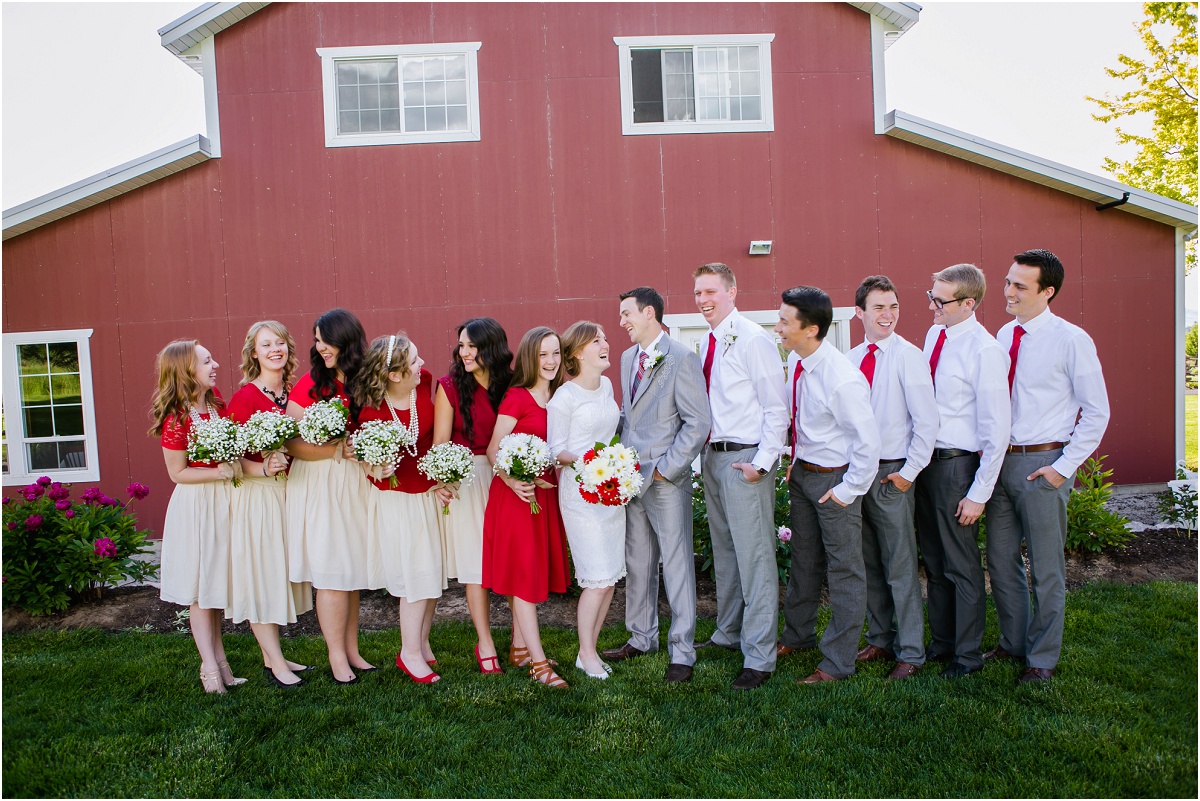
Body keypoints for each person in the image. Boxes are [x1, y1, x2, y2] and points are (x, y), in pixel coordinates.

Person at [985, 249, 1110, 684]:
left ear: (1048, 291)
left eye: (1020, 286)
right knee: (1001, 562)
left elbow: (1097, 411)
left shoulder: (1071, 339)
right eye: (1007, 281)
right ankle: (1012, 642)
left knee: (1046, 566)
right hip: (1000, 462)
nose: (1009, 291)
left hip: (1044, 463)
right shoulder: (1002, 335)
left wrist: (1064, 466)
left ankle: (1042, 659)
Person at [602, 287, 709, 683]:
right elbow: (630, 418)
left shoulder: (682, 358)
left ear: (649, 313)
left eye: (626, 314)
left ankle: (682, 651)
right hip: (631, 480)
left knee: (677, 564)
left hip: (666, 480)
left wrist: (667, 468)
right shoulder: (628, 358)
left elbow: (697, 422)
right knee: (638, 561)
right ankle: (641, 637)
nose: (622, 322)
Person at [775, 286, 880, 684]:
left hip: (836, 481)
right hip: (804, 475)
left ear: (812, 328)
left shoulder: (841, 378)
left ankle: (837, 662)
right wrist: (795, 461)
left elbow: (867, 444)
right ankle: (797, 637)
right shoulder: (797, 363)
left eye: (786, 321)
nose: (779, 326)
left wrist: (847, 490)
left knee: (844, 571)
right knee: (803, 560)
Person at [693, 262, 789, 690]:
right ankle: (728, 632)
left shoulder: (753, 339)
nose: (703, 300)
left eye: (711, 291)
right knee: (726, 552)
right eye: (698, 293)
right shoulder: (705, 343)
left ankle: (760, 656)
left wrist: (763, 463)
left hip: (745, 458)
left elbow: (776, 408)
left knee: (754, 558)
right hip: (714, 459)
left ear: (733, 292)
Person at [917, 264, 1010, 678]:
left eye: (941, 300)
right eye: (931, 295)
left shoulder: (984, 350)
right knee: (934, 563)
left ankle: (967, 656)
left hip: (958, 467)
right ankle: (942, 642)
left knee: (961, 565)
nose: (932, 305)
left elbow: (997, 429)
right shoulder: (935, 334)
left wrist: (978, 493)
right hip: (925, 464)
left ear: (968, 303)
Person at [845, 276, 938, 680]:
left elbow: (927, 422)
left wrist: (907, 475)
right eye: (879, 307)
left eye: (894, 306)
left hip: (891, 473)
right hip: (858, 473)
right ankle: (881, 639)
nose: (888, 315)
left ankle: (911, 653)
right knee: (869, 562)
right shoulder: (849, 360)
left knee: (900, 566)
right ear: (859, 313)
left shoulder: (908, 356)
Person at [285, 309, 379, 685]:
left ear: (347, 340)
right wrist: (335, 450)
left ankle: (352, 650)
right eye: (317, 340)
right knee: (332, 574)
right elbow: (291, 442)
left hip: (356, 484)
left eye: (326, 339)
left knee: (350, 571)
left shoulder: (364, 380)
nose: (320, 347)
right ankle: (336, 657)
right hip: (320, 483)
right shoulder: (310, 383)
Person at [149, 339, 242, 694]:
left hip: (223, 502)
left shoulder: (214, 402)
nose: (215, 364)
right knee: (201, 591)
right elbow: (178, 472)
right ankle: (209, 669)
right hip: (197, 505)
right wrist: (220, 473)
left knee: (215, 586)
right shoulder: (177, 415)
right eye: (206, 361)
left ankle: (223, 664)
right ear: (187, 370)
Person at [352, 334, 446, 684]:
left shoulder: (425, 384)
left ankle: (420, 642)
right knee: (413, 576)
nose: (422, 364)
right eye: (415, 361)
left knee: (430, 571)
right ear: (394, 374)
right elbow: (365, 462)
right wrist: (377, 467)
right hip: (396, 499)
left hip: (428, 494)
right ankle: (407, 654)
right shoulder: (371, 411)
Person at [481, 327, 572, 688]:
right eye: (543, 355)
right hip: (517, 496)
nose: (550, 362)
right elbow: (493, 450)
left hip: (546, 496)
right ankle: (538, 663)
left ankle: (519, 647)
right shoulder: (517, 398)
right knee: (522, 578)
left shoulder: (564, 396)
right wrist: (511, 480)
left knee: (533, 571)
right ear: (530, 358)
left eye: (556, 354)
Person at [226, 321, 314, 689]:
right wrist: (262, 467)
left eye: (280, 342)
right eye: (266, 345)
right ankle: (275, 662)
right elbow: (227, 458)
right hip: (258, 496)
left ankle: (271, 654)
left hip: (289, 493)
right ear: (253, 353)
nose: (275, 349)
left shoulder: (295, 394)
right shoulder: (245, 397)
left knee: (279, 573)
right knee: (262, 575)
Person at [432, 318, 514, 675]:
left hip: (506, 477)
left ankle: (522, 641)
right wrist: (443, 479)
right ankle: (486, 643)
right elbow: (439, 445)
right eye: (461, 346)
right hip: (467, 479)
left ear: (490, 348)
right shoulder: (449, 387)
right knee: (475, 567)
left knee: (511, 559)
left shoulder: (512, 384)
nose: (464, 353)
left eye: (471, 346)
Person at [548, 321, 627, 680]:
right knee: (595, 578)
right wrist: (590, 463)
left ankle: (588, 651)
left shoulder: (607, 385)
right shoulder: (564, 397)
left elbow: (610, 432)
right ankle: (587, 652)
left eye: (605, 337)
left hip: (609, 491)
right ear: (579, 352)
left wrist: (614, 466)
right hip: (580, 495)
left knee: (609, 577)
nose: (606, 344)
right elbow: (555, 449)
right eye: (598, 340)